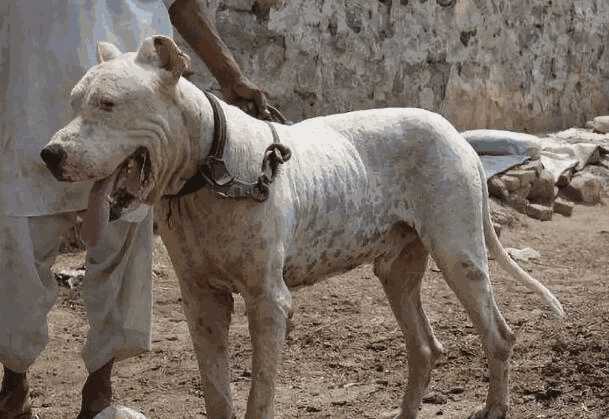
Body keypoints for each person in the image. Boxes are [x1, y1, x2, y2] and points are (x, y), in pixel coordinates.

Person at [0, 1, 271, 418]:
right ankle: (13, 384)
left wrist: (231, 77)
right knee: (19, 250)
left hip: (129, 95)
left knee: (121, 248)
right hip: (33, 80)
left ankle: (99, 393)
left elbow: (182, 4)